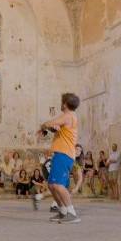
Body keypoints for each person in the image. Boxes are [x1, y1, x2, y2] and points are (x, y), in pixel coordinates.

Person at [41, 93, 81, 223]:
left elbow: (48, 123)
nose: (61, 104)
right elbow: (58, 128)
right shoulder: (69, 117)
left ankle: (71, 213)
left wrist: (44, 126)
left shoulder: (68, 115)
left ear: (65, 104)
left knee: (58, 185)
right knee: (52, 185)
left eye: (62, 101)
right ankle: (63, 211)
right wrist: (54, 128)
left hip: (64, 154)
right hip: (61, 154)